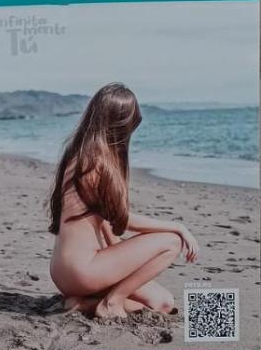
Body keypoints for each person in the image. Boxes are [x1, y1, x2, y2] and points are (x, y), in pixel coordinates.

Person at [48, 82, 198, 320]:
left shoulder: (77, 155)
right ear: (120, 126)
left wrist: (125, 262)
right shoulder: (96, 162)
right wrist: (178, 226)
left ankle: (85, 303)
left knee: (162, 302)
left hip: (63, 270)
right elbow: (123, 220)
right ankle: (112, 302)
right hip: (83, 270)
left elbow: (107, 225)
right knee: (172, 241)